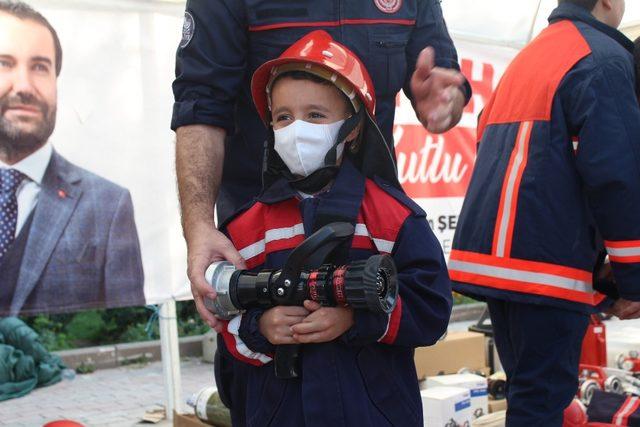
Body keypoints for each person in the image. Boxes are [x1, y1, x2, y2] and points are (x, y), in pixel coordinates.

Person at [171, 0, 471, 330]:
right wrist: (198, 227)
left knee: (377, 367)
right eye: (284, 116)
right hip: (261, 238)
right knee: (259, 371)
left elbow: (444, 80)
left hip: (371, 230)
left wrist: (445, 101)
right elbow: (200, 106)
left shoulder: (400, 224)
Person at [213, 30, 452, 426]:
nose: (296, 129)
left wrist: (358, 318)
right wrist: (261, 327)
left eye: (315, 116)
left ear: (354, 127)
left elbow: (433, 309)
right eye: (284, 117)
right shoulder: (245, 228)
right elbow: (223, 322)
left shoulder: (392, 217)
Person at [449, 0, 640, 425]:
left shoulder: (531, 56)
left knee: (529, 394)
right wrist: (633, 279)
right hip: (543, 266)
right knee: (543, 403)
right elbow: (617, 176)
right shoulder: (602, 59)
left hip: (499, 263)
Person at [0, 1, 144, 316]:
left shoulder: (108, 206)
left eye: (39, 66)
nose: (24, 86)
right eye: (4, 63)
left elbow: (124, 324)